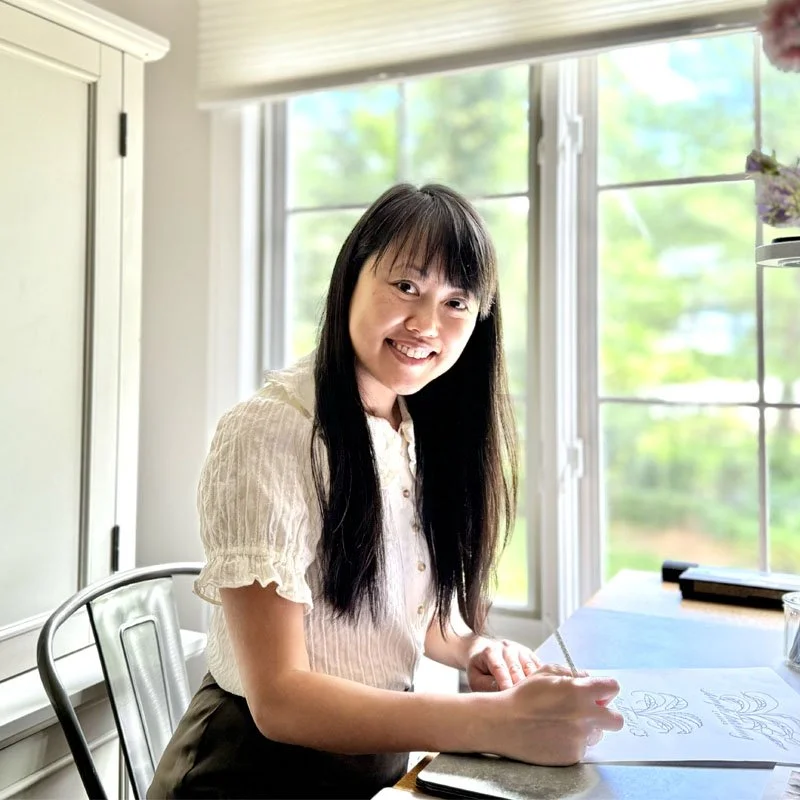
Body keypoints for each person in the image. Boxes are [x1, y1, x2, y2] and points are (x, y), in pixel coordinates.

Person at [148, 183, 624, 799]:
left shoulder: (413, 427)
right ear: (350, 279)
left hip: (374, 771)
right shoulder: (271, 429)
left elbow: (377, 609)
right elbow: (280, 699)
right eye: (406, 287)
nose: (427, 323)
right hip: (251, 771)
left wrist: (474, 648)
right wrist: (504, 724)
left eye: (457, 302)